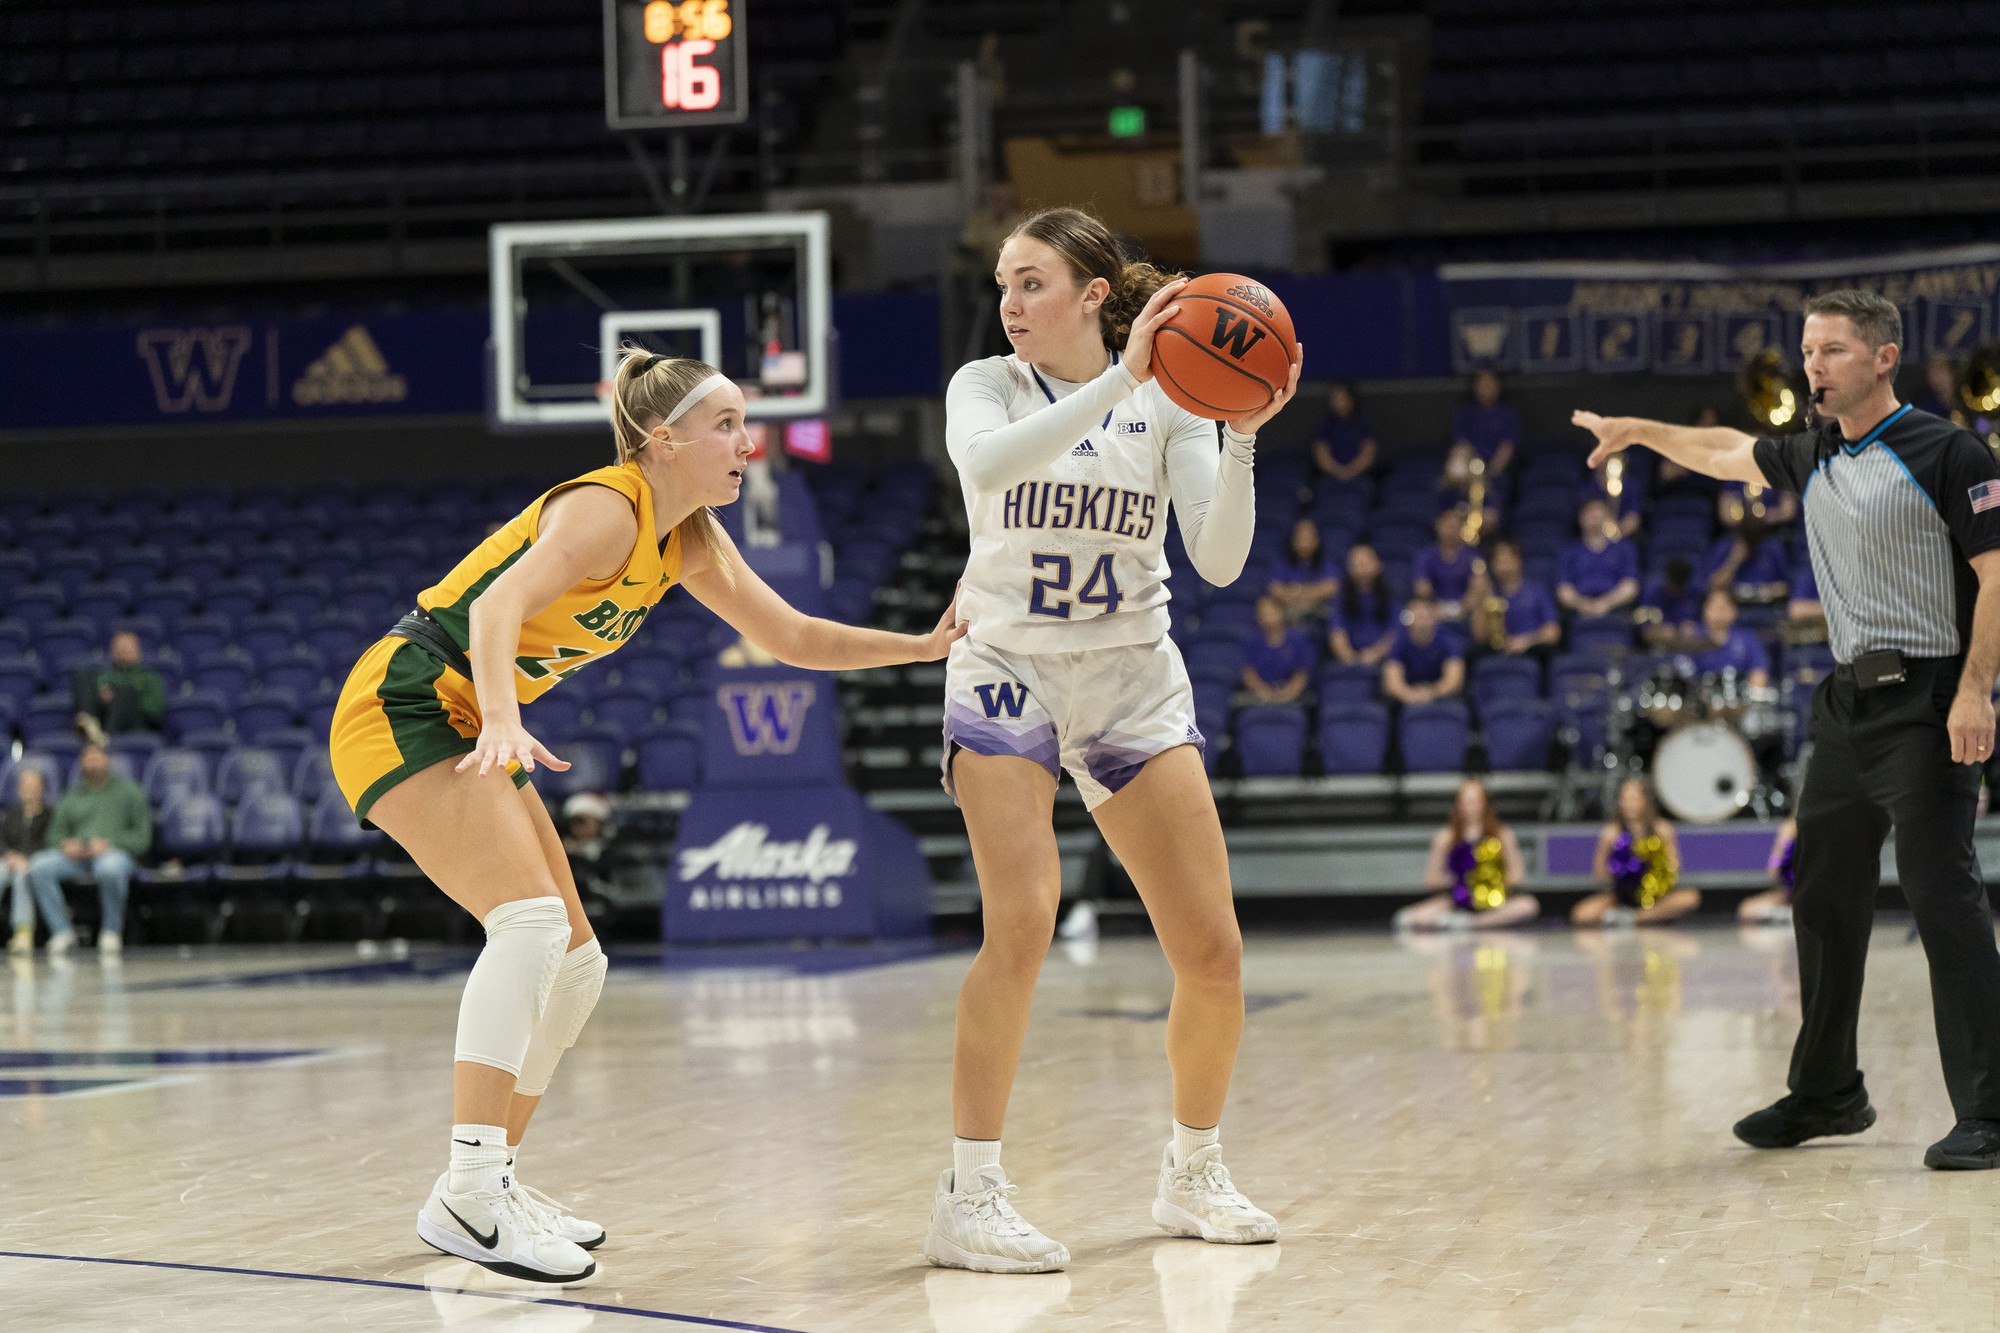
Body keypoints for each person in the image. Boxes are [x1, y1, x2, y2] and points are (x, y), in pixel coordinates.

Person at [326, 351, 966, 1284]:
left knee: (578, 966)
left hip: (466, 712)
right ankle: (468, 1189)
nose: (749, 442)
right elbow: (498, 605)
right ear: (662, 441)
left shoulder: (691, 538)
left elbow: (790, 635)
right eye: (727, 425)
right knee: (532, 925)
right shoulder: (608, 507)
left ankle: (488, 1178)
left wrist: (922, 646)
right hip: (408, 699)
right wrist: (503, 716)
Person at [934, 205, 1299, 1272]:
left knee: (1211, 950)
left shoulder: (1175, 402)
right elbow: (989, 471)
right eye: (1003, 282)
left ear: (1094, 295)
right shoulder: (984, 386)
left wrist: (1235, 437)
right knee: (1023, 923)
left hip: (1131, 675)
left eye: (1032, 281)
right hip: (1007, 669)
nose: (1009, 302)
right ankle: (969, 1192)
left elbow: (1220, 559)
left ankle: (1191, 1172)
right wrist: (1121, 380)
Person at [1574, 288, 2000, 1169]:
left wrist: (1975, 693)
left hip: (1927, 702)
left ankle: (1990, 1110)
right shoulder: (1811, 451)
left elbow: (1999, 578)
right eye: (1808, 351)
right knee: (1823, 897)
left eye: (1833, 351)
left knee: (1943, 904)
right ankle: (1828, 1092)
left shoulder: (1948, 450)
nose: (1813, 366)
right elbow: (1728, 450)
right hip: (1846, 706)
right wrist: (1643, 429)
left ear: (1884, 358)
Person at [26, 742, 151, 956]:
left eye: (97, 757)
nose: (93, 762)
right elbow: (54, 835)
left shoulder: (130, 792)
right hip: (77, 858)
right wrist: (66, 844)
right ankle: (62, 931)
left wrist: (109, 844)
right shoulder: (72, 795)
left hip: (114, 854)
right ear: (82, 763)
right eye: (88, 758)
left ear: (107, 760)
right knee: (38, 866)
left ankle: (111, 931)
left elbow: (143, 838)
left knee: (109, 868)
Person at [1393, 778, 1537, 930]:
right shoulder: (1445, 837)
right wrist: (1462, 880)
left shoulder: (1502, 834)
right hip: (1456, 900)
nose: (1471, 807)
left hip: (1493, 900)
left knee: (1528, 905)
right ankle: (1457, 919)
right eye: (1467, 802)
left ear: (1485, 804)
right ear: (1458, 805)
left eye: (1476, 801)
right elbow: (1431, 880)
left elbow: (1518, 876)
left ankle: (1471, 923)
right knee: (1410, 918)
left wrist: (1489, 880)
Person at [1572, 777, 1695, 927]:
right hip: (1623, 896)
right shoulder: (1612, 832)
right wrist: (1621, 871)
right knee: (1581, 914)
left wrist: (1654, 876)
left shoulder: (1662, 829)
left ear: (1645, 801)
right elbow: (1599, 872)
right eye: (1625, 799)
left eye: (1634, 799)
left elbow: (1674, 867)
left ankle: (1637, 918)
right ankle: (1641, 916)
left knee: (1689, 898)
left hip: (1657, 897)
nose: (1629, 804)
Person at [1466, 539, 1558, 661]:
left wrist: (1525, 642)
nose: (1504, 565)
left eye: (1508, 559)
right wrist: (1481, 598)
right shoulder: (1490, 594)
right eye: (1499, 560)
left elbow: (1553, 632)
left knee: (1546, 652)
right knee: (1474, 654)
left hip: (1532, 649)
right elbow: (1479, 637)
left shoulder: (1538, 591)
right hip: (1499, 650)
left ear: (1518, 560)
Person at [70, 630, 166, 740]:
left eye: (126, 647)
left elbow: (154, 711)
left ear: (138, 651)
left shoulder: (149, 677)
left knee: (125, 692)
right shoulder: (104, 674)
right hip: (104, 718)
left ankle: (107, 739)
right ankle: (89, 726)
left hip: (136, 723)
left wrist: (118, 695)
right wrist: (102, 695)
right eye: (118, 647)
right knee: (82, 676)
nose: (122, 651)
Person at [1556, 497, 1640, 618]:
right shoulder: (1569, 551)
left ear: (1608, 517)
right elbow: (1563, 590)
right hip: (1579, 613)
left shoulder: (1625, 548)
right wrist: (1583, 605)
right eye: (1590, 511)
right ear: (1580, 517)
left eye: (1600, 511)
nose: (1595, 515)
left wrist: (1606, 603)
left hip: (1617, 610)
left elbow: (1630, 587)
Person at [1382, 598, 1464, 706]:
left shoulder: (1449, 640)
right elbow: (1392, 682)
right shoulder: (1399, 643)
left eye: (1426, 615)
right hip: (1407, 698)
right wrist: (1409, 695)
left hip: (1441, 697)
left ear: (1434, 617)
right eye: (1418, 615)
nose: (1422, 621)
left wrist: (1431, 693)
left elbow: (1454, 680)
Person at [4, 767, 52, 955]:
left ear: (42, 789)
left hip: (32, 862)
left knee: (22, 875)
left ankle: (23, 933)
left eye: (33, 786)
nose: (29, 791)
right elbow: (2, 840)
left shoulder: (49, 815)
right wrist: (9, 855)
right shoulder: (11, 815)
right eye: (25, 786)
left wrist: (26, 858)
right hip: (9, 861)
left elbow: (50, 843)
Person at [1328, 543, 1398, 667]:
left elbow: (1396, 632)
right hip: (1349, 660)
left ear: (1379, 565)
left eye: (1366, 564)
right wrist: (1349, 657)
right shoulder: (1341, 600)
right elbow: (1337, 632)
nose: (1362, 569)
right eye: (1357, 564)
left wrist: (1375, 654)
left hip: (1384, 659)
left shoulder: (1391, 597)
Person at [1689, 589, 1771, 689]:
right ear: (1704, 610)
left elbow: (1759, 675)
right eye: (1714, 607)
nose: (1719, 613)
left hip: (1739, 699)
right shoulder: (1692, 637)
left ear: (1734, 610)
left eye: (1723, 607)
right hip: (1700, 699)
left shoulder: (1748, 639)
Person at [1241, 595, 1313, 705]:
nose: (1268, 619)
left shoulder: (1297, 639)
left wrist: (1289, 693)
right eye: (1263, 614)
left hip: (1292, 695)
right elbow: (1249, 673)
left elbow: (1301, 673)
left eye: (1271, 613)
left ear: (1281, 612)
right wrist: (1264, 692)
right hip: (1260, 696)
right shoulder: (1251, 640)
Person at [1265, 518, 1339, 623]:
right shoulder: (1282, 565)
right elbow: (1276, 590)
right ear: (1293, 540)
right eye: (1300, 536)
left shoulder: (1326, 564)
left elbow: (1331, 587)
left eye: (1308, 536)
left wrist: (1296, 591)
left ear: (1317, 540)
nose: (1304, 539)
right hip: (1289, 613)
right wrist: (1313, 592)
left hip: (1319, 613)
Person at [1701, 517, 1790, 602]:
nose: (1751, 545)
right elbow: (1713, 586)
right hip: (1735, 606)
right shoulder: (1724, 546)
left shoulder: (1772, 547)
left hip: (1767, 606)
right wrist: (1734, 560)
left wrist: (1769, 590)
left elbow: (1786, 586)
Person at [1450, 369, 1518, 477]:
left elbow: (1508, 445)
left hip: (1498, 468)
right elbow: (1461, 444)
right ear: (1475, 387)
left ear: (1498, 386)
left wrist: (1491, 472)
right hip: (1469, 467)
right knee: (1458, 455)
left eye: (1489, 384)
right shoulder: (1465, 413)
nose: (1485, 389)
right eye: (1482, 384)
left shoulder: (1508, 413)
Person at [1311, 382, 1376, 489]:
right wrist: (1339, 472)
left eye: (1342, 398)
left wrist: (1350, 472)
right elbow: (1321, 454)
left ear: (1351, 399)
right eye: (1335, 398)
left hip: (1360, 476)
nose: (1339, 402)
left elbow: (1368, 452)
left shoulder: (1364, 422)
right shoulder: (1324, 423)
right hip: (1331, 476)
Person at [1413, 510, 1478, 615]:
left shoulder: (1472, 556)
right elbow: (1421, 587)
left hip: (1465, 610)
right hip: (1434, 609)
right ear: (1438, 526)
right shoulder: (1426, 555)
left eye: (1455, 527)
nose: (1451, 532)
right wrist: (1436, 607)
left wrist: (1462, 608)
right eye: (1448, 527)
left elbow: (1478, 586)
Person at [1739, 817, 1798, 926]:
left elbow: (1774, 870)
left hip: (1798, 893)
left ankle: (1795, 915)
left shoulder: (1790, 827)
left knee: (1747, 909)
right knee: (1747, 909)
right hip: (1794, 893)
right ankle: (1793, 915)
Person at [1638, 556, 1704, 650]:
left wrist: (1695, 628)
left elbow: (1707, 626)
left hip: (1689, 646)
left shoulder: (1695, 594)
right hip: (1659, 645)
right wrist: (1660, 630)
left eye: (1679, 588)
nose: (1675, 590)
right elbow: (1644, 631)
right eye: (1672, 585)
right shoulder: (1652, 593)